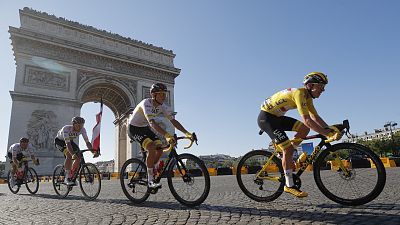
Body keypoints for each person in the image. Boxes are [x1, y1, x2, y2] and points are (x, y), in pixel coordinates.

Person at [258, 72, 342, 197]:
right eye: (321, 87)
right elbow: (308, 120)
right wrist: (326, 133)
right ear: (310, 85)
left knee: (303, 129)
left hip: (277, 117)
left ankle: (288, 153)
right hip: (266, 119)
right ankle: (289, 185)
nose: (323, 90)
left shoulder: (307, 97)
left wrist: (329, 129)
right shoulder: (299, 93)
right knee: (288, 148)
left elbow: (314, 116)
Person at [128, 83, 193, 188]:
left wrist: (187, 133)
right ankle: (150, 181)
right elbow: (152, 123)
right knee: (151, 147)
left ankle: (150, 169)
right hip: (134, 128)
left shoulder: (163, 106)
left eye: (165, 94)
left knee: (160, 149)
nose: (164, 97)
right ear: (153, 95)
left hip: (144, 128)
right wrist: (167, 135)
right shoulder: (146, 103)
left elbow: (173, 121)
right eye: (161, 94)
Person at [54, 116, 96, 186]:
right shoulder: (66, 128)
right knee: (69, 154)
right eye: (78, 126)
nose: (80, 128)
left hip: (70, 141)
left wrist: (93, 152)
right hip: (60, 141)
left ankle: (72, 175)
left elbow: (87, 142)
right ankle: (66, 177)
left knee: (79, 156)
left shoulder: (83, 129)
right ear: (73, 124)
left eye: (82, 125)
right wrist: (73, 154)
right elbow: (67, 144)